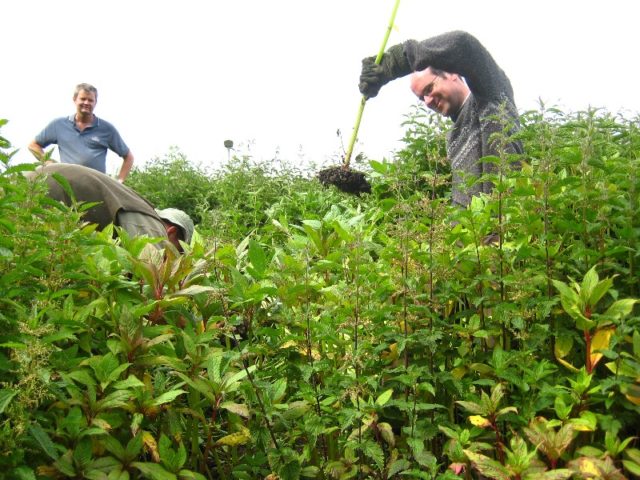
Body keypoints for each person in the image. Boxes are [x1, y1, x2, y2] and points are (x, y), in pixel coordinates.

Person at [359, 30, 523, 208]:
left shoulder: (491, 94)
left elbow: (464, 45)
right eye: (422, 98)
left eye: (428, 89)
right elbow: (463, 201)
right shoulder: (453, 137)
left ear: (452, 72)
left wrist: (395, 62)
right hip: (477, 232)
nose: (428, 101)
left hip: (508, 223)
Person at [27, 163, 194, 252]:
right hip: (48, 186)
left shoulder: (134, 209)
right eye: (177, 252)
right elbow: (148, 288)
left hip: (28, 182)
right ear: (171, 233)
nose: (171, 261)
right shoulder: (151, 226)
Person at [28, 83, 134, 182]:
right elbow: (33, 145)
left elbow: (128, 157)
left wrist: (119, 181)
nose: (86, 103)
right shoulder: (59, 125)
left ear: (95, 102)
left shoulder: (106, 129)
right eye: (83, 99)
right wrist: (49, 163)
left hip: (97, 186)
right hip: (68, 183)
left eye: (90, 100)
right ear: (75, 99)